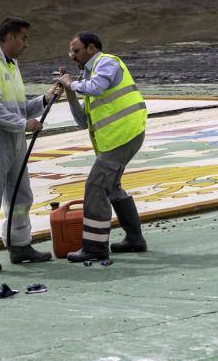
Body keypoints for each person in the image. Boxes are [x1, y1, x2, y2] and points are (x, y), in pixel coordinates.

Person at [0, 17, 62, 273]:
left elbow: (16, 109)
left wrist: (44, 99)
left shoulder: (10, 65)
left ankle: (20, 245)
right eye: (23, 38)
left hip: (13, 142)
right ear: (9, 37)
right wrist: (24, 125)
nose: (26, 44)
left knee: (21, 195)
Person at [55, 32, 148, 262]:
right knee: (111, 186)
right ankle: (135, 239)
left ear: (92, 48)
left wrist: (72, 83)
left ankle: (95, 248)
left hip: (124, 135)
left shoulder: (106, 62)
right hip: (116, 139)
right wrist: (69, 91)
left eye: (76, 50)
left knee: (96, 186)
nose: (72, 55)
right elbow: (82, 121)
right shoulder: (88, 76)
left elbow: (96, 87)